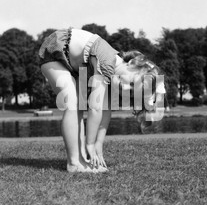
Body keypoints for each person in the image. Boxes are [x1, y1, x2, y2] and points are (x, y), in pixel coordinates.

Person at [39, 27, 165, 173]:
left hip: (74, 64)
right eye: (130, 83)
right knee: (72, 104)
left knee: (79, 107)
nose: (125, 89)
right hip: (55, 50)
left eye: (131, 92)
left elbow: (105, 111)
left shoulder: (113, 75)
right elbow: (95, 107)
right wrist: (90, 143)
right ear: (131, 64)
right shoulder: (107, 61)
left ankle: (80, 160)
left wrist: (97, 144)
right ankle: (73, 163)